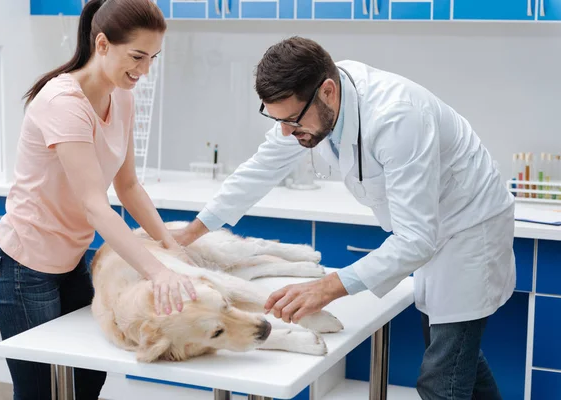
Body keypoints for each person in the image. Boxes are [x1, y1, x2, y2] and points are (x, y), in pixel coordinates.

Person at [171, 36, 515, 399]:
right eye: (278, 121)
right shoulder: (313, 103)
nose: (286, 132)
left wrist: (327, 288)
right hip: (432, 227)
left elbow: (416, 240)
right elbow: (260, 169)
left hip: (469, 229)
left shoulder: (398, 118)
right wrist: (191, 233)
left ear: (328, 92)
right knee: (459, 358)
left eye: (291, 120)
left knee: (441, 379)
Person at [0, 1, 197, 399]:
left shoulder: (122, 96)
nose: (144, 70)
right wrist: (157, 271)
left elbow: (129, 185)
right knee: (39, 391)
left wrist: (171, 244)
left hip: (70, 260)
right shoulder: (64, 103)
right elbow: (94, 204)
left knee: (87, 379)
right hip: (21, 267)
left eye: (152, 58)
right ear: (102, 44)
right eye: (137, 56)